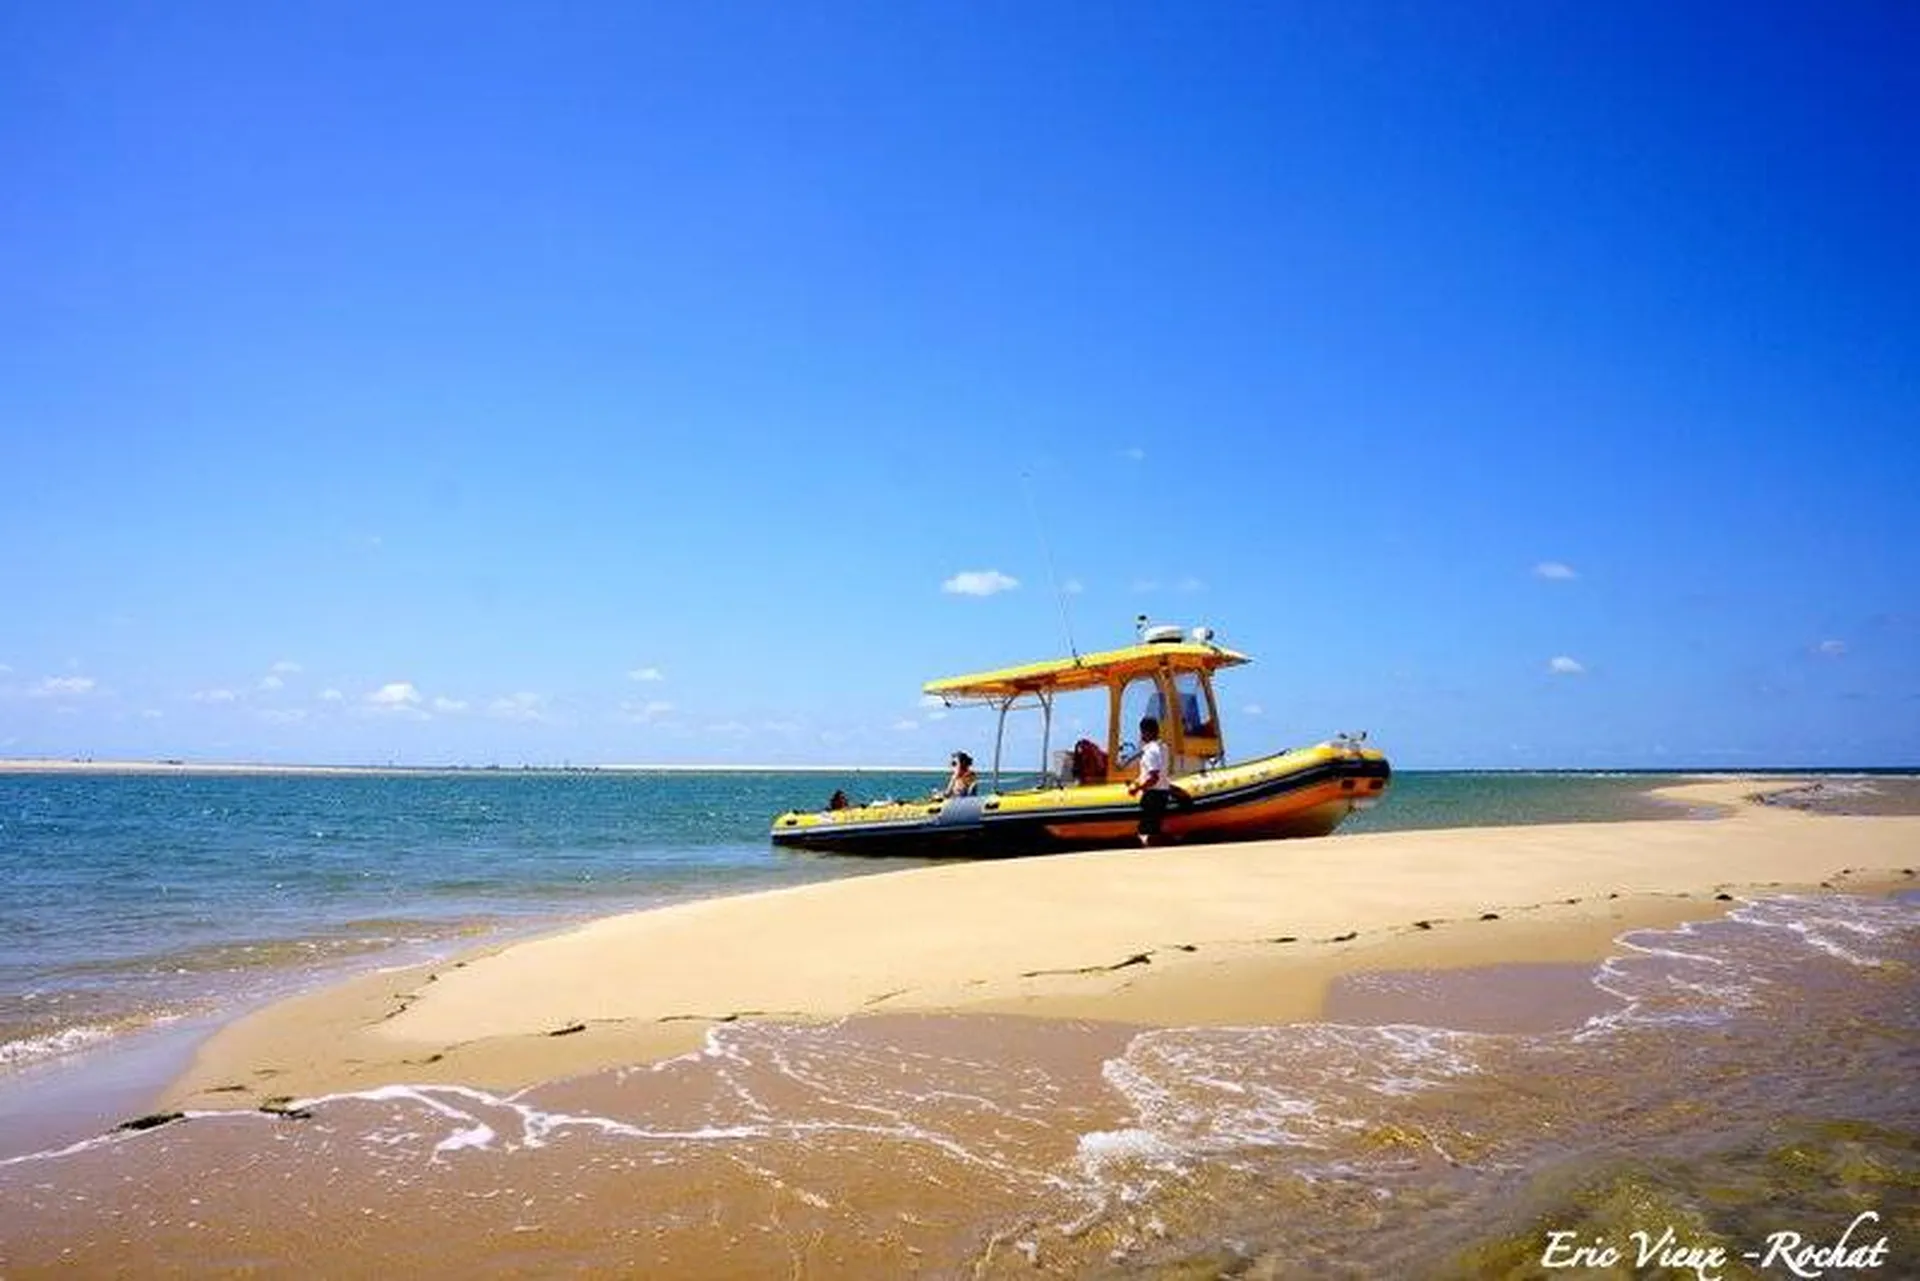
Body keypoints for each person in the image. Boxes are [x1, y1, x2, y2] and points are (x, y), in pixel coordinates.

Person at [1125, 716, 1171, 846]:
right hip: (1163, 793)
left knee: (1145, 830)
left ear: (1147, 732)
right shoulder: (1164, 748)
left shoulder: (1150, 751)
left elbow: (1153, 777)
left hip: (1153, 795)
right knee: (1155, 828)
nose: (1141, 736)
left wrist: (1137, 788)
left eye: (1142, 732)